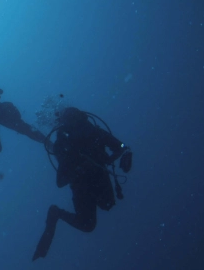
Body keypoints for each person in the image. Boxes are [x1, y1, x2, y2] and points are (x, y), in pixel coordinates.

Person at [32, 107, 133, 261]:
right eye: (71, 121)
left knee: (108, 205)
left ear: (82, 118)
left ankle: (58, 213)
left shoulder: (94, 132)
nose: (76, 126)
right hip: (81, 187)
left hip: (100, 177)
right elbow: (60, 182)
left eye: (77, 120)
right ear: (66, 124)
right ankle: (56, 212)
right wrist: (81, 169)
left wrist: (125, 155)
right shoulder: (63, 143)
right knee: (88, 225)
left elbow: (120, 146)